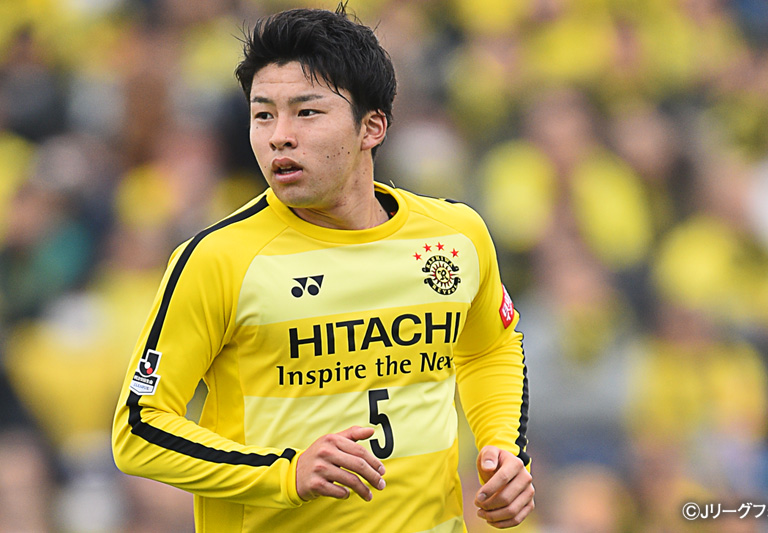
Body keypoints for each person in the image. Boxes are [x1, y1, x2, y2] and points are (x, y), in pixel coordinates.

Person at [111, 3, 534, 531]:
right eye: (263, 115)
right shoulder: (217, 259)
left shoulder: (456, 235)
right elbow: (139, 429)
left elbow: (490, 347)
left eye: (306, 113)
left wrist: (503, 447)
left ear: (371, 127)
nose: (279, 136)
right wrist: (284, 474)